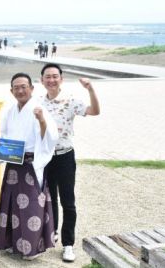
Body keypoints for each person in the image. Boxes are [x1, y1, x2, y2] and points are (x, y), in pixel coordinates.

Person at [0, 73, 59, 260]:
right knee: (11, 203)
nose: (20, 90)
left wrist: (41, 120)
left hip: (31, 163)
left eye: (24, 86)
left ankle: (32, 248)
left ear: (31, 88)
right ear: (11, 90)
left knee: (32, 205)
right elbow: (4, 135)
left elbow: (51, 137)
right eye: (16, 87)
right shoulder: (10, 111)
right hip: (14, 163)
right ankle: (12, 243)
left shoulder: (39, 108)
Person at [40, 63, 100, 262]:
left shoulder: (71, 100)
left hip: (65, 155)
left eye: (55, 76)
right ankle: (52, 233)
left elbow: (94, 111)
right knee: (49, 199)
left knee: (68, 202)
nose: (51, 79)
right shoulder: (38, 102)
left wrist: (90, 88)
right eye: (47, 76)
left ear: (61, 79)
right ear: (42, 81)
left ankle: (68, 244)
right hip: (45, 156)